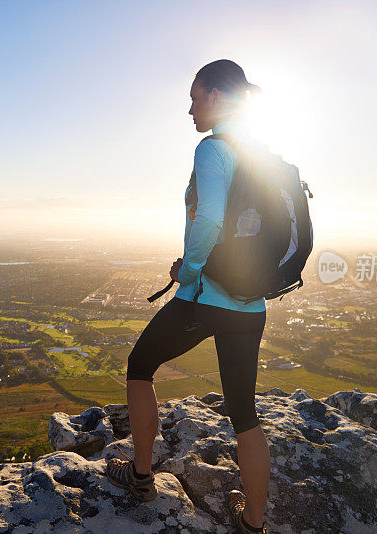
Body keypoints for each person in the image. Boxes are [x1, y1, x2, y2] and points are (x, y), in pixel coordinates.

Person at [106, 59, 270, 534]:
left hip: (205, 297)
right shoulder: (259, 151)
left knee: (139, 367)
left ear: (218, 95)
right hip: (251, 302)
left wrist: (190, 271)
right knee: (244, 410)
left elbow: (211, 219)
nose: (191, 107)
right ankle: (254, 522)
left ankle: (141, 477)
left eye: (196, 96)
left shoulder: (213, 149)